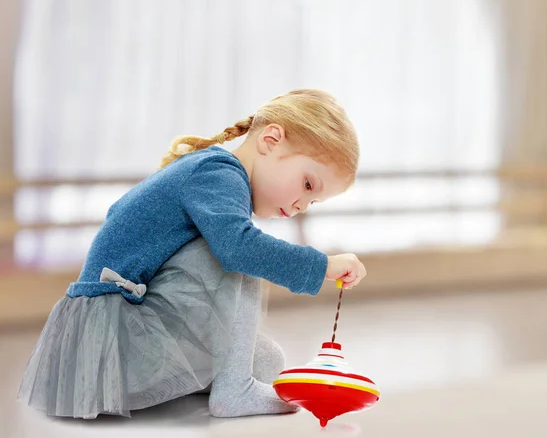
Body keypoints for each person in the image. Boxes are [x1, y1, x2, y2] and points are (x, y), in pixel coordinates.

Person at [17, 89, 367, 419]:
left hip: (117, 344)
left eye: (312, 201)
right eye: (307, 185)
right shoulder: (218, 173)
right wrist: (324, 265)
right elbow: (238, 249)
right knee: (239, 248)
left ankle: (226, 384)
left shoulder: (217, 177)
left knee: (268, 361)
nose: (300, 206)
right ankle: (234, 391)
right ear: (270, 140)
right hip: (113, 345)